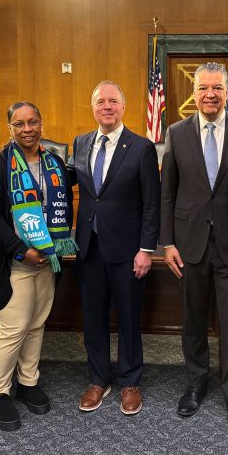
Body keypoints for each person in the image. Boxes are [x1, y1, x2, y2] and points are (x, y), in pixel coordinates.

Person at [160, 62, 228, 430]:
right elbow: (167, 194)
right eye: (203, 88)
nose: (210, 94)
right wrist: (167, 243)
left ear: (227, 92)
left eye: (217, 88)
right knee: (192, 320)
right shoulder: (175, 132)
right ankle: (195, 383)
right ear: (194, 93)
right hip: (189, 245)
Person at [0, 101, 75, 432]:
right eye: (19, 124)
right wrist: (21, 250)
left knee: (36, 324)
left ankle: (28, 382)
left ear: (41, 123)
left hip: (46, 259)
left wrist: (52, 248)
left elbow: (62, 208)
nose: (27, 129)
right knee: (13, 327)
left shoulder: (55, 163)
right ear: (10, 129)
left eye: (32, 122)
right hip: (12, 261)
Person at [67, 80, 160, 415]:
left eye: (113, 101)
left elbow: (152, 203)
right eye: (100, 101)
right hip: (89, 248)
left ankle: (130, 381)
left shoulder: (141, 147)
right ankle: (98, 379)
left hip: (127, 251)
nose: (106, 107)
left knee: (130, 318)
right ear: (93, 108)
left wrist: (146, 249)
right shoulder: (79, 143)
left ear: (124, 107)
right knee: (92, 318)